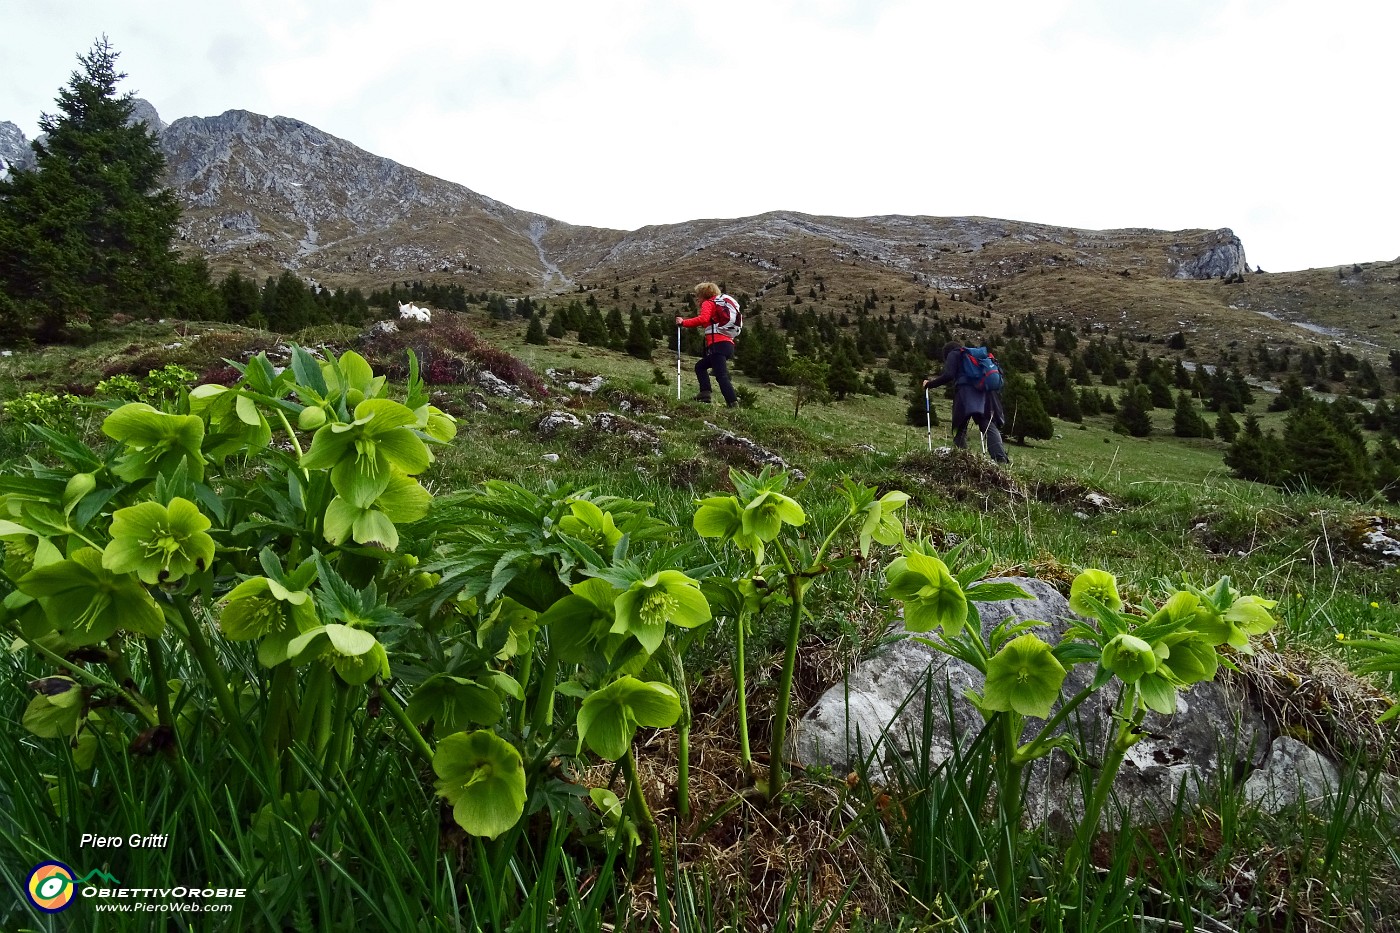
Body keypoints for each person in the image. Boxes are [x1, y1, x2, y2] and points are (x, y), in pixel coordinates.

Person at [923, 340, 1012, 464]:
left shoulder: (954, 353)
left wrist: (930, 384)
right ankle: (1000, 458)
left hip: (966, 393)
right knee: (988, 425)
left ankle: (962, 458)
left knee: (960, 426)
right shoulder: (973, 356)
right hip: (986, 393)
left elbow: (949, 374)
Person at [676, 282, 738, 408]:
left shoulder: (708, 303)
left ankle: (732, 403)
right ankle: (705, 394)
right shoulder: (718, 304)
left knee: (721, 375)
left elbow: (703, 319)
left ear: (703, 294)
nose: (697, 298)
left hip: (718, 345)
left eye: (698, 295)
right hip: (727, 345)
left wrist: (684, 322)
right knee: (700, 366)